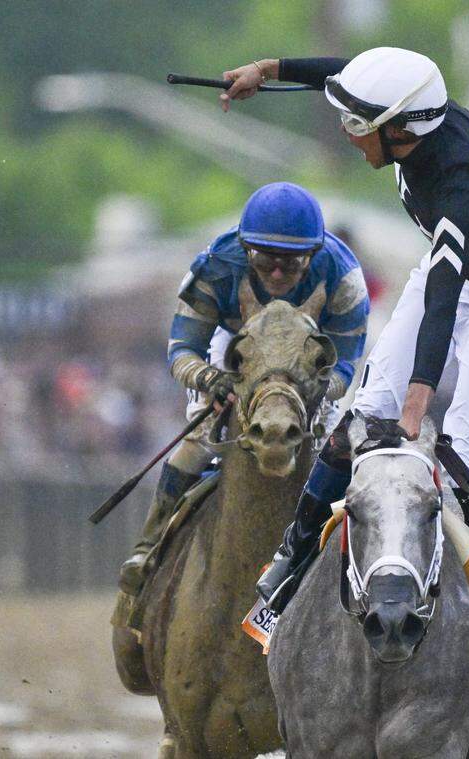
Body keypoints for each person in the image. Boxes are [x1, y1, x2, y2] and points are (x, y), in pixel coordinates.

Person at [224, 49, 469, 678]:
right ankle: (290, 563)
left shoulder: (460, 187)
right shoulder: (414, 115)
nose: (350, 136)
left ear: (401, 129)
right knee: (354, 426)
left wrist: (418, 400)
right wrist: (268, 70)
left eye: (357, 127)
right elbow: (350, 72)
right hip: (445, 274)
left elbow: (446, 307)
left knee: (460, 460)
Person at [115, 181, 370, 601]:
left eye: (290, 263)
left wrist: (316, 390)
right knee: (201, 437)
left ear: (314, 254)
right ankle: (149, 547)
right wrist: (208, 380)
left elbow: (344, 361)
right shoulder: (216, 265)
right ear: (245, 247)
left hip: (309, 358)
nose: (275, 272)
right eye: (266, 259)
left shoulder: (343, 276)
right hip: (237, 348)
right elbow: (183, 349)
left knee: (340, 449)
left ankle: (361, 563)